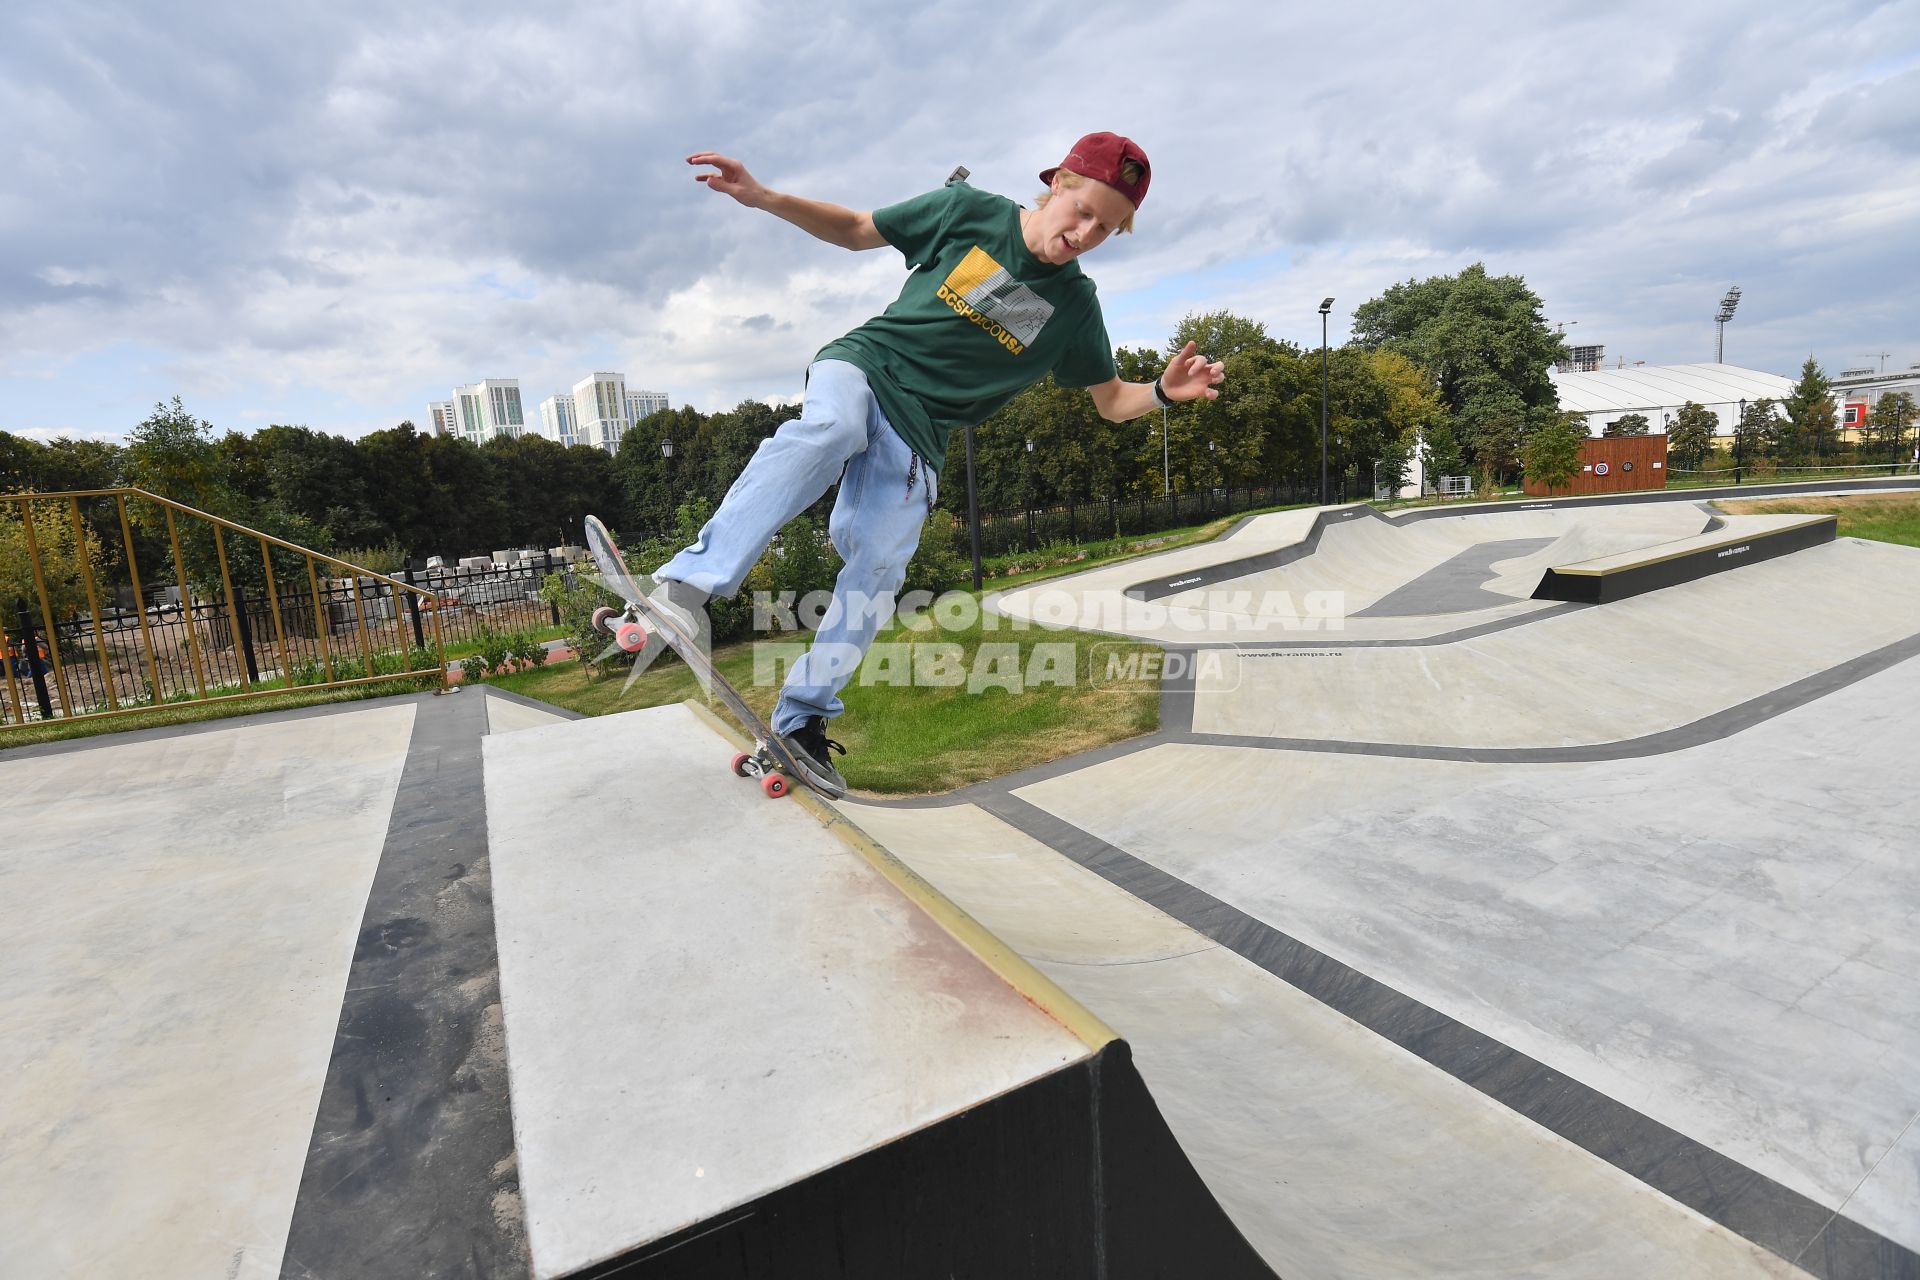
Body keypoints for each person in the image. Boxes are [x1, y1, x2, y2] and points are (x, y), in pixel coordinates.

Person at [653, 133, 1225, 796]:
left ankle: (800, 723)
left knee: (878, 570)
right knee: (828, 429)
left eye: (1106, 227)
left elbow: (1109, 398)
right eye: (1082, 210)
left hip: (921, 433)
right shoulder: (969, 212)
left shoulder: (1074, 309)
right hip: (867, 366)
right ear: (1059, 184)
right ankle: (686, 590)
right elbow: (858, 229)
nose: (1085, 232)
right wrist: (762, 196)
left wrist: (1160, 392)